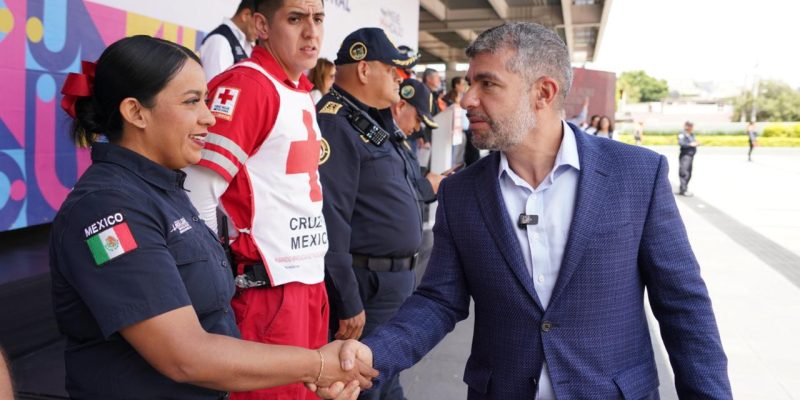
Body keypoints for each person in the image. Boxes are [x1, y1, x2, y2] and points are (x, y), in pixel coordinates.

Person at [320, 22, 732, 400]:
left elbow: (684, 307)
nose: (467, 99)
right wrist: (372, 354)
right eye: (470, 82)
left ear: (543, 93)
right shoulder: (461, 193)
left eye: (487, 84)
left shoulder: (637, 174)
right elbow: (439, 300)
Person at [51, 35, 375, 400]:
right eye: (192, 101)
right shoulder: (108, 208)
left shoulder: (164, 190)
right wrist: (315, 365)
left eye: (206, 100)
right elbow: (184, 356)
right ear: (136, 112)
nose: (209, 116)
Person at [183, 1, 336, 398]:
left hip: (304, 282)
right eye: (295, 19)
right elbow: (196, 190)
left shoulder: (298, 88)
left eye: (318, 19)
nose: (311, 31)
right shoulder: (248, 84)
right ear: (262, 26)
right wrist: (216, 278)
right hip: (267, 291)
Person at [316, 27, 422, 400]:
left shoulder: (371, 119)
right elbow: (331, 218)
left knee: (387, 381)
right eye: (392, 69)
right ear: (364, 70)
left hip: (392, 281)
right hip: (367, 285)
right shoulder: (335, 122)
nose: (399, 78)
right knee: (365, 385)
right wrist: (348, 299)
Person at [392, 78, 445, 202]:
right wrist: (428, 187)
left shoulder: (396, 139)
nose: (417, 128)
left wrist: (425, 175)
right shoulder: (384, 141)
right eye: (417, 120)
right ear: (400, 106)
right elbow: (393, 197)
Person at [199, 0, 258, 82]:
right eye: (260, 23)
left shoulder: (247, 43)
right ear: (245, 15)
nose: (262, 29)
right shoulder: (219, 40)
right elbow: (217, 85)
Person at [678, 121, 699, 196]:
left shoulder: (691, 134)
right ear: (687, 126)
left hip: (690, 156)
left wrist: (696, 143)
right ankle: (683, 190)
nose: (692, 128)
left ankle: (685, 188)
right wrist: (690, 144)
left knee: (689, 173)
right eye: (690, 126)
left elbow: (694, 141)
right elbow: (681, 143)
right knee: (684, 172)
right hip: (685, 156)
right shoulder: (682, 134)